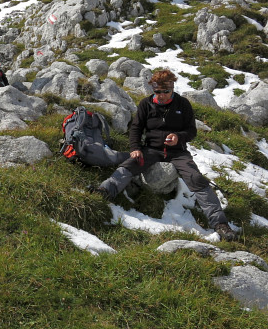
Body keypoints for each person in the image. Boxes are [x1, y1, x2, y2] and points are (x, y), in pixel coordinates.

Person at [91, 69, 235, 241]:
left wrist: (178, 137)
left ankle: (220, 224)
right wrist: (135, 148)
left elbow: (191, 131)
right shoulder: (146, 104)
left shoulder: (183, 104)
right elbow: (136, 128)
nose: (161, 95)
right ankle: (105, 191)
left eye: (165, 91)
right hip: (151, 149)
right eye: (157, 91)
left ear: (172, 87)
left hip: (178, 152)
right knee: (129, 164)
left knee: (195, 178)